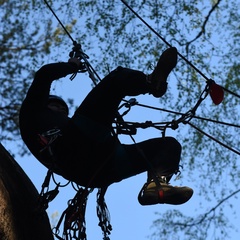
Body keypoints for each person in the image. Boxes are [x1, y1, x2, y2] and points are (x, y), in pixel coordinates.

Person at [19, 47, 193, 206]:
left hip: (99, 169)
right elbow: (44, 74)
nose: (62, 111)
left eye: (64, 110)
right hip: (73, 148)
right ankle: (151, 83)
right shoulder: (31, 113)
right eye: (56, 106)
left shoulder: (60, 124)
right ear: (45, 104)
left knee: (169, 147)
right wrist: (72, 66)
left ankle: (157, 184)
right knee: (116, 79)